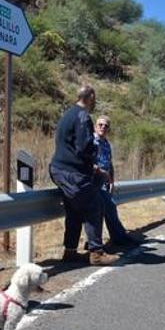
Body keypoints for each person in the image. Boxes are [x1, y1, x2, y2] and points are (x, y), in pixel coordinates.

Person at [49, 85, 118, 266]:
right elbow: (84, 147)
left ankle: (70, 251)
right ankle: (96, 253)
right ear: (91, 97)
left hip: (60, 169)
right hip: (72, 172)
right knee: (94, 205)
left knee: (74, 211)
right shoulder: (83, 117)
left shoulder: (68, 114)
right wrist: (94, 157)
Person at [93, 115, 142, 249]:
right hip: (92, 181)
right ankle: (116, 239)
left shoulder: (107, 144)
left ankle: (114, 239)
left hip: (104, 182)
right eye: (100, 125)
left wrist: (112, 181)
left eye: (106, 126)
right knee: (106, 207)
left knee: (108, 208)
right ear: (95, 126)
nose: (103, 127)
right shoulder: (90, 141)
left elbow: (109, 164)